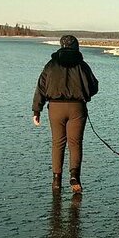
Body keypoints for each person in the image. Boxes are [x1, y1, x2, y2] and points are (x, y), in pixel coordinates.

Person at [33, 35, 99, 193]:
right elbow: (94, 86)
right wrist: (84, 94)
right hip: (77, 108)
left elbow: (41, 87)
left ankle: (56, 180)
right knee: (75, 143)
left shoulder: (51, 65)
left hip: (55, 108)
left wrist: (37, 110)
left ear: (61, 46)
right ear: (76, 46)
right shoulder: (82, 65)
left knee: (58, 143)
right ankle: (75, 176)